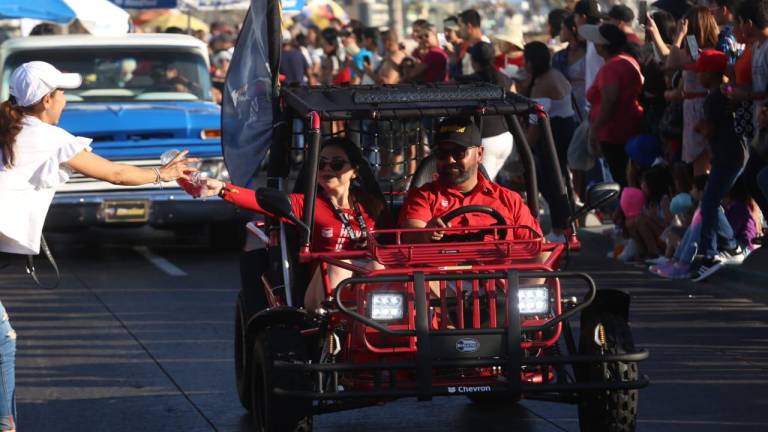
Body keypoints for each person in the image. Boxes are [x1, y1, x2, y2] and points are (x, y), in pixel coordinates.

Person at [0, 61, 195, 432]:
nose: (65, 100)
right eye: (61, 93)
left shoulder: (12, 128)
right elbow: (115, 173)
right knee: (2, 340)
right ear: (46, 100)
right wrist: (163, 175)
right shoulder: (46, 137)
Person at [198, 137, 389, 310]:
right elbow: (261, 202)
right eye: (321, 164)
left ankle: (381, 327)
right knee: (339, 264)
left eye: (337, 164)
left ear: (354, 171)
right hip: (323, 289)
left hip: (368, 292)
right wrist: (222, 189)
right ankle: (334, 330)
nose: (327, 169)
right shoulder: (307, 203)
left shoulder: (371, 204)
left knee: (377, 266)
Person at [399, 117, 542, 243]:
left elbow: (537, 245)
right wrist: (426, 234)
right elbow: (410, 234)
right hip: (441, 272)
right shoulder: (423, 196)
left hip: (498, 272)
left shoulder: (509, 200)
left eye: (459, 153)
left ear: (479, 154)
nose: (450, 160)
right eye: (442, 153)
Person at [687, 49, 749, 281]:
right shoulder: (726, 93)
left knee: (709, 202)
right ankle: (728, 244)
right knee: (710, 201)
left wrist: (699, 127)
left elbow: (710, 128)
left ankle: (712, 253)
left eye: (700, 72)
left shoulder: (715, 97)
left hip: (728, 155)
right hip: (732, 154)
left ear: (709, 74)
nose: (698, 76)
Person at [520, 41, 578, 243]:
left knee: (550, 183)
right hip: (564, 129)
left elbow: (536, 123)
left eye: (526, 60)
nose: (524, 64)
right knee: (560, 182)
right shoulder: (554, 75)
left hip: (554, 135)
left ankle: (560, 229)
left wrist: (524, 148)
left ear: (532, 61)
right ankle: (567, 227)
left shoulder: (544, 83)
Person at [579, 23, 644, 187]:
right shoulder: (627, 60)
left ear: (603, 46)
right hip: (629, 128)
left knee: (620, 179)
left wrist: (595, 129)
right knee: (627, 178)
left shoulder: (611, 68)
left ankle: (623, 212)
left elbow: (609, 100)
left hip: (613, 133)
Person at [456, 42, 515, 181]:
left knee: (480, 185)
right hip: (506, 138)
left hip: (486, 141)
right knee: (489, 183)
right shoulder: (505, 78)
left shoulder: (468, 81)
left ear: (473, 61)